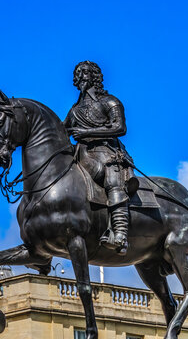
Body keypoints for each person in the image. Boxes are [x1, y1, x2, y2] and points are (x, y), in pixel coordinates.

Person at [63, 61, 139, 255]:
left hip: (107, 153)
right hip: (82, 154)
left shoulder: (110, 102)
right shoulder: (74, 111)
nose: (80, 77)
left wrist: (87, 131)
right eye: (78, 74)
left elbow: (120, 127)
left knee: (113, 180)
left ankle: (120, 235)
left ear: (95, 77)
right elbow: (62, 132)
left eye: (85, 73)